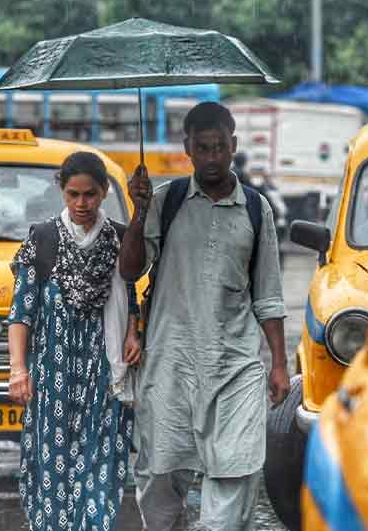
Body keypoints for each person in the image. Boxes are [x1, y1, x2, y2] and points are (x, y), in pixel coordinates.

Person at [120, 101, 287, 531]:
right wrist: (138, 214)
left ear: (234, 145)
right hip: (171, 363)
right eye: (203, 148)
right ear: (187, 149)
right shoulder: (165, 201)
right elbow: (130, 269)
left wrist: (280, 365)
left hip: (235, 366)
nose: (212, 157)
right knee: (160, 476)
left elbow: (268, 294)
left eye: (219, 147)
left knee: (235, 470)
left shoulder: (256, 208)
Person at [8, 151, 141, 531]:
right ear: (62, 193)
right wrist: (18, 370)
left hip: (104, 375)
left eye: (90, 195)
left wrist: (133, 332)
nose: (82, 204)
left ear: (103, 193)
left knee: (103, 468)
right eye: (73, 195)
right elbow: (22, 313)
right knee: (50, 468)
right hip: (52, 376)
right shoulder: (44, 239)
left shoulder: (120, 239)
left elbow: (129, 297)